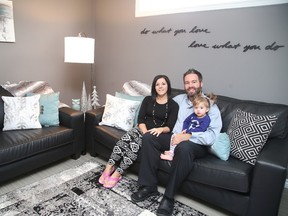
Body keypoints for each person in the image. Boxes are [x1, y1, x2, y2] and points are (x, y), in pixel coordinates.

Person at [131, 69, 222, 216]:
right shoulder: (178, 100)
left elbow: (212, 135)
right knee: (148, 137)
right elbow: (161, 106)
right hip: (174, 138)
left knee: (184, 148)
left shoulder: (210, 105)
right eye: (187, 82)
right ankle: (149, 186)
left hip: (196, 144)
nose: (190, 85)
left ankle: (168, 197)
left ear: (201, 83)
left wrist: (188, 136)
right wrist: (159, 128)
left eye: (194, 82)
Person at [98, 75, 179, 188]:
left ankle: (118, 172)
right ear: (154, 87)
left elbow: (170, 126)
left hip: (156, 134)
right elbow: (141, 119)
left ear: (168, 86)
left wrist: (160, 129)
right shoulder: (148, 100)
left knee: (134, 144)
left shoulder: (174, 105)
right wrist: (144, 132)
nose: (160, 86)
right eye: (157, 84)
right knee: (126, 138)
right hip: (142, 128)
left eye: (163, 84)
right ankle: (109, 166)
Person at [160, 94, 216, 161]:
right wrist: (185, 129)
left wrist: (189, 133)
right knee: (174, 136)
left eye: (201, 108)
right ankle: (171, 152)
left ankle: (172, 155)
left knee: (183, 145)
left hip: (194, 137)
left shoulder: (206, 119)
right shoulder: (193, 115)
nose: (198, 110)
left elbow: (201, 129)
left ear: (207, 109)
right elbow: (186, 121)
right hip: (186, 132)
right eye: (196, 108)